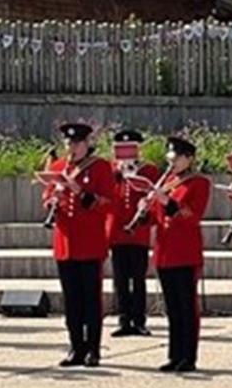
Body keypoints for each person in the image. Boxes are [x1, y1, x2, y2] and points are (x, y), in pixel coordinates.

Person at [44, 123, 115, 367]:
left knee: (91, 299)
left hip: (90, 242)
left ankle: (93, 349)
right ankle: (76, 347)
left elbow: (108, 203)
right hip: (65, 242)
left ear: (86, 144)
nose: (71, 148)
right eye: (68, 143)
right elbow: (46, 196)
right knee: (71, 299)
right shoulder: (57, 167)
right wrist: (53, 200)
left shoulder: (100, 167)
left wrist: (80, 192)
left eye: (76, 144)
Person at [150, 137, 211, 373]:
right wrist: (145, 209)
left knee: (186, 306)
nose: (172, 163)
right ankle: (174, 354)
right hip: (165, 250)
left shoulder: (199, 182)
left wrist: (168, 202)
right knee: (172, 308)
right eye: (170, 158)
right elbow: (157, 217)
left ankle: (188, 356)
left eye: (176, 158)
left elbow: (192, 215)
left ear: (189, 159)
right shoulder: (167, 182)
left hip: (185, 251)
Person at [108, 129, 159, 338]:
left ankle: (139, 320)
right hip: (117, 230)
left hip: (139, 232)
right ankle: (123, 319)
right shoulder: (111, 170)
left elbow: (154, 197)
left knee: (138, 278)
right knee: (120, 279)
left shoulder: (149, 170)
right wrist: (118, 173)